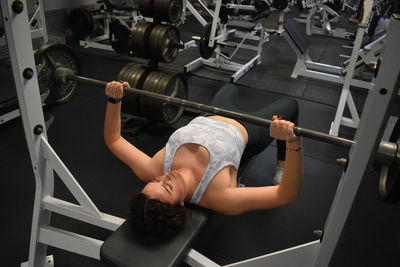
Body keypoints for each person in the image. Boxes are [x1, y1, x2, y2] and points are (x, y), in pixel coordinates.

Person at [104, 81, 303, 236]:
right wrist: (293, 142)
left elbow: (114, 140)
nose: (166, 176)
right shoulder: (217, 197)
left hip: (212, 114)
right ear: (180, 205)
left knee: (229, 87)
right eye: (167, 187)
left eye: (156, 180)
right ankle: (281, 165)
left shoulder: (154, 169)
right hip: (249, 130)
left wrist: (114, 100)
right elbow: (285, 195)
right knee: (291, 105)